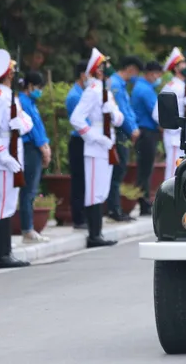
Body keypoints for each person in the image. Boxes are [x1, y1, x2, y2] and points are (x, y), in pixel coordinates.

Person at [0, 48, 34, 268]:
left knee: (9, 205)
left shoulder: (10, 96)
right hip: (4, 160)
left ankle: (7, 252)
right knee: (3, 206)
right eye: (12, 70)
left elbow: (27, 120)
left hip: (13, 155)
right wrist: (4, 157)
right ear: (8, 74)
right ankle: (2, 255)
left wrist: (20, 125)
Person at [69, 48, 122, 248]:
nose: (107, 69)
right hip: (95, 146)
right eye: (103, 66)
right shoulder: (92, 92)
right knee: (93, 191)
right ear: (97, 70)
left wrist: (113, 115)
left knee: (102, 190)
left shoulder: (105, 91)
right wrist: (96, 138)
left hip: (109, 143)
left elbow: (119, 118)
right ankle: (94, 234)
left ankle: (98, 232)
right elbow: (76, 118)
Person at [17, 71, 52, 243]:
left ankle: (28, 227)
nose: (39, 91)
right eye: (38, 87)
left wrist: (45, 145)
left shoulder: (30, 101)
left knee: (31, 189)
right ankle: (27, 229)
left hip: (36, 147)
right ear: (30, 86)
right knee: (28, 190)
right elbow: (32, 130)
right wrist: (43, 147)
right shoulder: (23, 102)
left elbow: (39, 127)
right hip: (29, 148)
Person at [106, 56, 142, 222]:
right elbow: (120, 112)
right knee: (117, 171)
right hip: (119, 132)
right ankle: (114, 209)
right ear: (130, 69)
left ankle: (115, 208)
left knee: (119, 171)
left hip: (124, 132)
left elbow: (128, 111)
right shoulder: (115, 85)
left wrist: (133, 127)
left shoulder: (120, 85)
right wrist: (132, 129)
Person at [131, 60, 163, 215]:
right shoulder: (145, 90)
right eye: (156, 74)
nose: (158, 77)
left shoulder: (142, 87)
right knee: (145, 169)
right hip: (147, 133)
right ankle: (144, 204)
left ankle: (143, 201)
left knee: (144, 168)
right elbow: (157, 113)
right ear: (150, 73)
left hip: (145, 133)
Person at [154, 47, 186, 181]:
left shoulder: (184, 85)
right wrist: (173, 127)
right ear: (176, 68)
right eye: (182, 64)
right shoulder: (171, 86)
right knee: (172, 173)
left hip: (183, 136)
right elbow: (157, 114)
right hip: (174, 136)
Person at [65, 60, 89, 229]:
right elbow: (80, 122)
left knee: (86, 180)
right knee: (79, 180)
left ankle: (85, 216)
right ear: (83, 74)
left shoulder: (84, 92)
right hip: (79, 140)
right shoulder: (75, 95)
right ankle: (78, 218)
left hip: (87, 140)